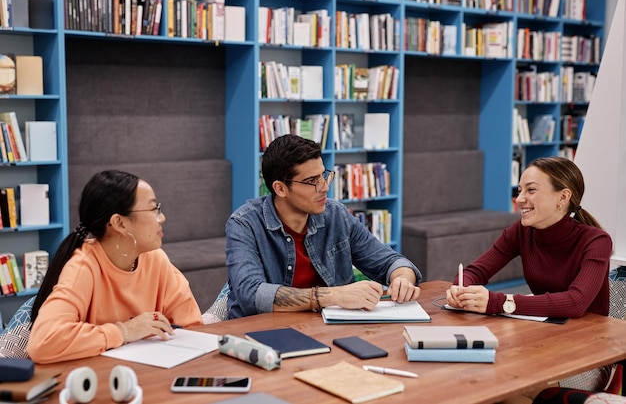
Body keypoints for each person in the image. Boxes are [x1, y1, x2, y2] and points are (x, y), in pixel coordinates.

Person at [446, 156, 613, 401]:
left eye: (531, 190)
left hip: (586, 352)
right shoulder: (521, 231)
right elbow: (475, 271)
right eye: (520, 190)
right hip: (538, 340)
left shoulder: (596, 241)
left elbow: (575, 302)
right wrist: (460, 288)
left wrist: (500, 302)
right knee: (477, 381)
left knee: (505, 390)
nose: (520, 198)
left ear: (563, 197)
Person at [225, 134, 422, 319]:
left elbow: (390, 261)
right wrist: (334, 296)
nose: (325, 187)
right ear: (280, 188)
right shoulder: (244, 224)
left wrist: (402, 278)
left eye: (323, 176)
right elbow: (251, 294)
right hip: (264, 335)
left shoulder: (336, 215)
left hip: (328, 330)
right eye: (312, 181)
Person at [27, 170, 203, 364]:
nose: (162, 218)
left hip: (146, 377)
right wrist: (124, 331)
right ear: (119, 223)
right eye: (154, 209)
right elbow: (43, 342)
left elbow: (194, 328)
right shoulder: (82, 267)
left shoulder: (156, 259)